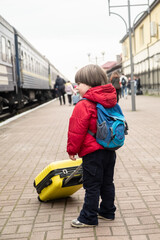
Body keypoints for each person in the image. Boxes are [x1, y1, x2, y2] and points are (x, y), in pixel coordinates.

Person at [67, 64, 117, 228]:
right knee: (107, 182)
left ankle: (88, 217)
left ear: (89, 83)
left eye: (79, 83)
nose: (77, 87)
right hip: (110, 150)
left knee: (92, 185)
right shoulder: (111, 101)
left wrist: (72, 150)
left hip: (92, 152)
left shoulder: (84, 104)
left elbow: (77, 130)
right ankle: (108, 212)